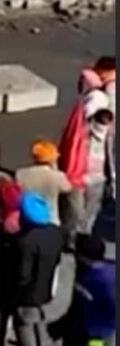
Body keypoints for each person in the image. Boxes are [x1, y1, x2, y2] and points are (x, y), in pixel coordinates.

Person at [0, 193, 64, 346]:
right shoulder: (55, 233)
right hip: (46, 286)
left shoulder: (25, 241)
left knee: (23, 324)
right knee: (38, 322)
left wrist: (14, 291)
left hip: (28, 292)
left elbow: (23, 274)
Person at [59, 89, 115, 241]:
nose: (104, 129)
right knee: (75, 214)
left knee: (90, 214)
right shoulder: (81, 134)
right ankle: (70, 240)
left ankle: (83, 239)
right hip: (79, 178)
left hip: (98, 180)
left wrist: (111, 180)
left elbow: (110, 157)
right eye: (102, 124)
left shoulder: (109, 135)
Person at [15, 140, 72, 226]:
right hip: (50, 221)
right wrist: (55, 169)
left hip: (26, 221)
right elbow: (68, 188)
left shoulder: (20, 174)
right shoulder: (57, 176)